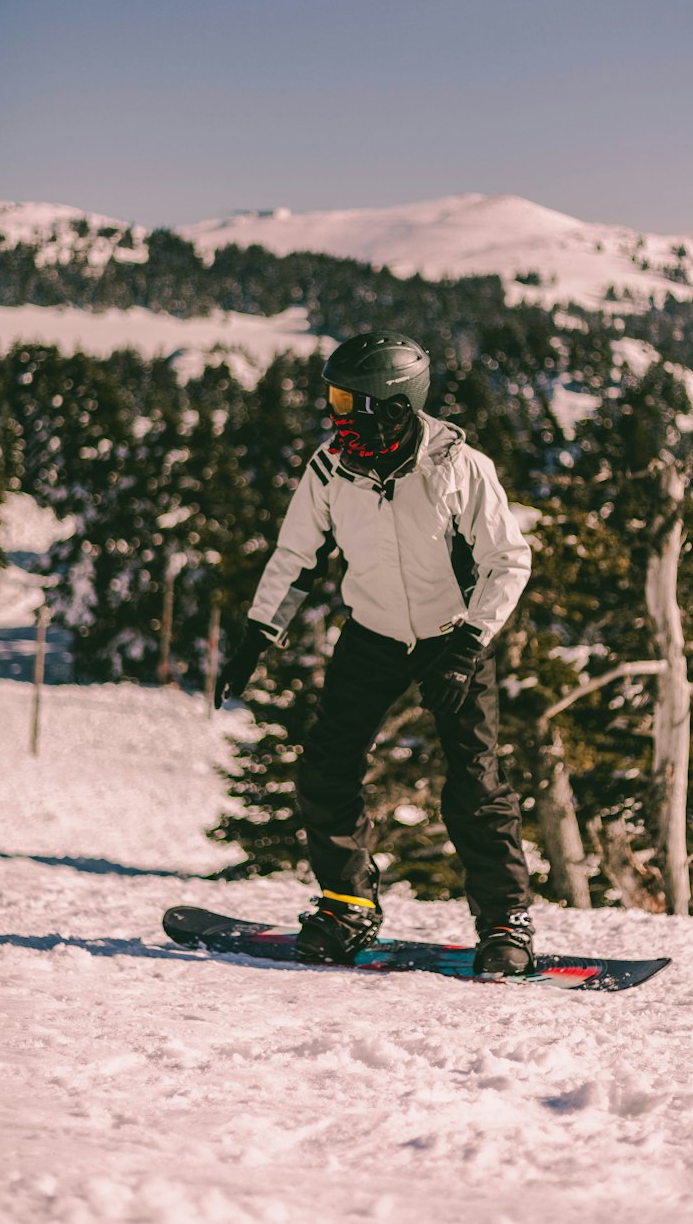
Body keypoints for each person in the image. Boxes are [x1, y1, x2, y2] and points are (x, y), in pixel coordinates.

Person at [215, 331, 535, 974]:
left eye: (345, 399)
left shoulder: (458, 467)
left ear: (390, 405)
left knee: (474, 782)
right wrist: (256, 635)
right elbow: (296, 557)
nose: (333, 413)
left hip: (454, 637)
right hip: (374, 633)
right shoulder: (332, 467)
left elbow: (508, 561)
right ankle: (346, 907)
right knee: (327, 767)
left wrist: (468, 649)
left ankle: (506, 924)